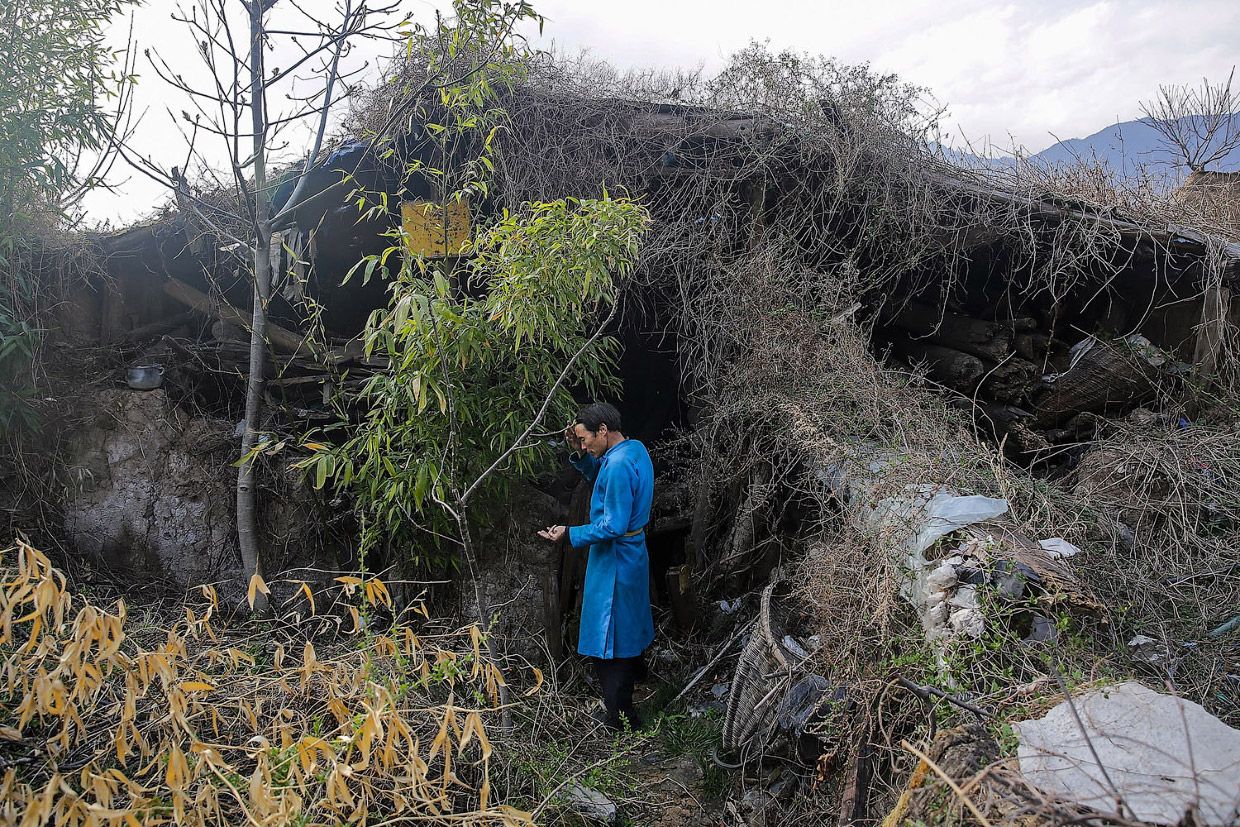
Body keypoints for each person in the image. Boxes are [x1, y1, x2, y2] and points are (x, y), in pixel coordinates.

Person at [539, 402, 654, 730]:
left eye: (585, 438)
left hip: (614, 557)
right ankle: (638, 682)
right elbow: (600, 473)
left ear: (603, 430)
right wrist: (580, 455)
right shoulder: (633, 450)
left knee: (609, 640)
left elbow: (613, 525)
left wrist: (569, 533)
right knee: (628, 625)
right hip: (632, 553)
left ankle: (622, 719)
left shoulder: (617, 467)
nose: (584, 444)